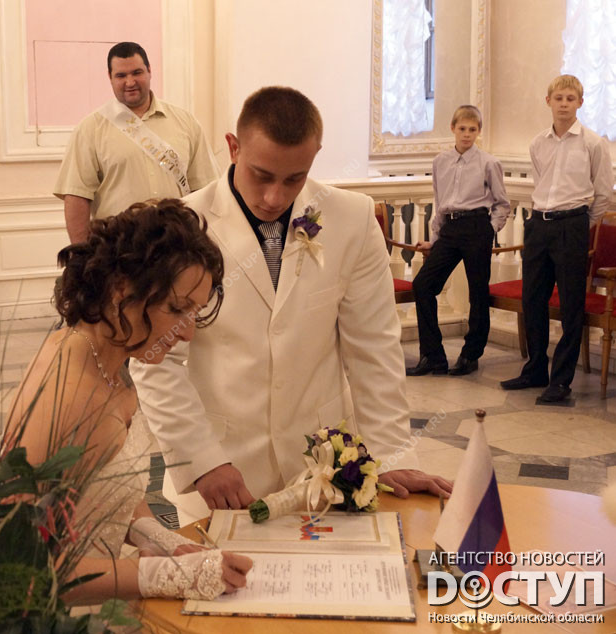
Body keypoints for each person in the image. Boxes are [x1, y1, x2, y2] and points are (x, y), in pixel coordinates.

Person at [131, 86, 452, 524]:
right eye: (261, 175)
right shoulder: (183, 225)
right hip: (221, 473)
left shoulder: (351, 219)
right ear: (233, 147)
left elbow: (374, 348)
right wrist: (201, 459)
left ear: (315, 155)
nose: (274, 197)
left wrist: (392, 455)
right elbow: (155, 360)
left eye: (294, 179)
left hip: (325, 470)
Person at [5, 200, 251, 605]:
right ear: (122, 289)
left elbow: (104, 490)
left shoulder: (110, 362)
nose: (188, 333)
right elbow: (18, 565)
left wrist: (163, 540)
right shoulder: (68, 391)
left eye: (194, 313)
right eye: (177, 309)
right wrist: (164, 575)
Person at [501, 75, 614, 403]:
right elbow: (541, 182)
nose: (564, 104)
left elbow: (603, 194)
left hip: (571, 226)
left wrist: (579, 224)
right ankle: (536, 368)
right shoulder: (539, 143)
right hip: (539, 225)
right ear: (548, 101)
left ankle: (561, 381)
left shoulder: (593, 143)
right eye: (559, 98)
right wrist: (544, 221)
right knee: (532, 299)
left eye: (570, 99)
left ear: (580, 103)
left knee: (570, 304)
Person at [54, 42, 219, 244]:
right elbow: (76, 197)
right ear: (110, 78)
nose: (130, 82)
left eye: (137, 73)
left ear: (149, 71)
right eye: (121, 76)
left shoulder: (186, 122)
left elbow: (204, 189)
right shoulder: (89, 129)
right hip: (118, 249)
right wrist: (82, 254)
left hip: (176, 247)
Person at [406, 105, 510, 377]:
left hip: (477, 227)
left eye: (472, 130)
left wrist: (489, 230)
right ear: (453, 128)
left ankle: (470, 354)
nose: (466, 134)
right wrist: (434, 239)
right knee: (423, 285)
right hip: (450, 229)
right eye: (462, 129)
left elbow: (502, 204)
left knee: (478, 292)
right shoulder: (440, 162)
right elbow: (440, 202)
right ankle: (433, 356)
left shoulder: (488, 163)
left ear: (478, 132)